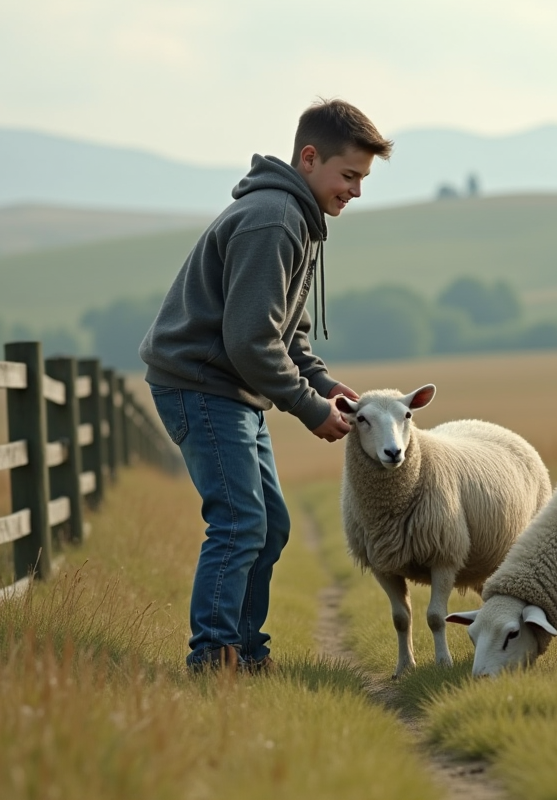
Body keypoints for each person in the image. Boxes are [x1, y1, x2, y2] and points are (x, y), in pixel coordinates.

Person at [139, 99, 393, 673]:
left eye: (363, 179)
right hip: (201, 385)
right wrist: (309, 408)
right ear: (309, 158)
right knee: (239, 521)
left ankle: (246, 651)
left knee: (269, 523)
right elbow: (250, 343)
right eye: (349, 175)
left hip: (232, 388)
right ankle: (214, 657)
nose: (356, 190)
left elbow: (285, 334)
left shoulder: (296, 217)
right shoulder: (274, 220)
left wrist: (326, 386)